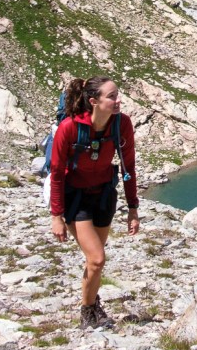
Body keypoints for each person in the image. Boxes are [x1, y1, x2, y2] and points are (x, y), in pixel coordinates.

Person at [49, 75, 139, 329]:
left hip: (104, 195)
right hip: (75, 198)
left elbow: (128, 166)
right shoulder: (69, 128)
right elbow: (56, 172)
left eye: (118, 94)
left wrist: (133, 209)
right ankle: (87, 312)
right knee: (97, 258)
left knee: (94, 262)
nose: (119, 100)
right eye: (112, 96)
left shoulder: (122, 124)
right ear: (93, 101)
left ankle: (93, 303)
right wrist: (56, 216)